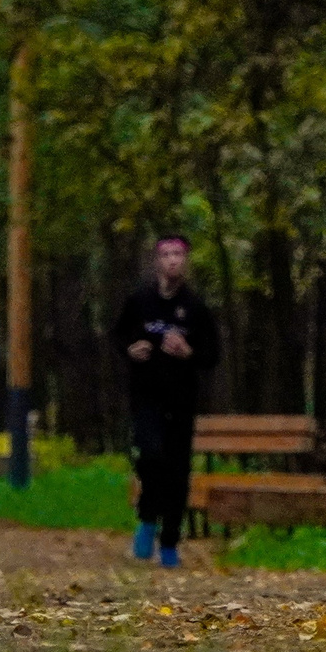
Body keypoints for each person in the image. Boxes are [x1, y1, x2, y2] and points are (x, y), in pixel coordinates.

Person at [111, 235, 221, 569]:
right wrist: (132, 349)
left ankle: (170, 542)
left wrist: (188, 353)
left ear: (186, 262)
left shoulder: (196, 307)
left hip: (182, 401)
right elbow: (119, 337)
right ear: (156, 261)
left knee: (177, 471)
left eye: (179, 255)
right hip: (146, 398)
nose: (173, 260)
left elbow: (212, 355)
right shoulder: (139, 302)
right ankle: (146, 521)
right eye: (166, 255)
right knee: (152, 457)